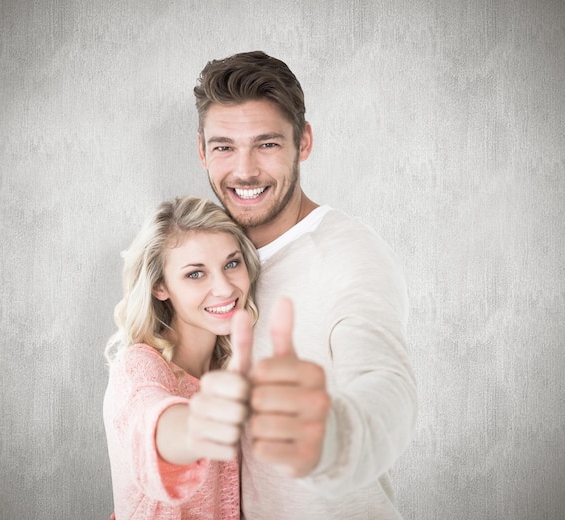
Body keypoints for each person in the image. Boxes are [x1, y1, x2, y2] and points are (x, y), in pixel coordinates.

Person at [193, 50, 418, 519]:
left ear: (304, 143)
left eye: (267, 144)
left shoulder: (348, 253)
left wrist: (333, 433)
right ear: (202, 152)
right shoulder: (210, 259)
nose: (245, 170)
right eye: (224, 147)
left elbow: (388, 386)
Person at [103, 195, 260, 519]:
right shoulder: (137, 368)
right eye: (195, 274)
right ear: (160, 285)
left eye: (231, 263)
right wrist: (204, 423)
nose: (224, 288)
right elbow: (152, 420)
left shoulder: (231, 363)